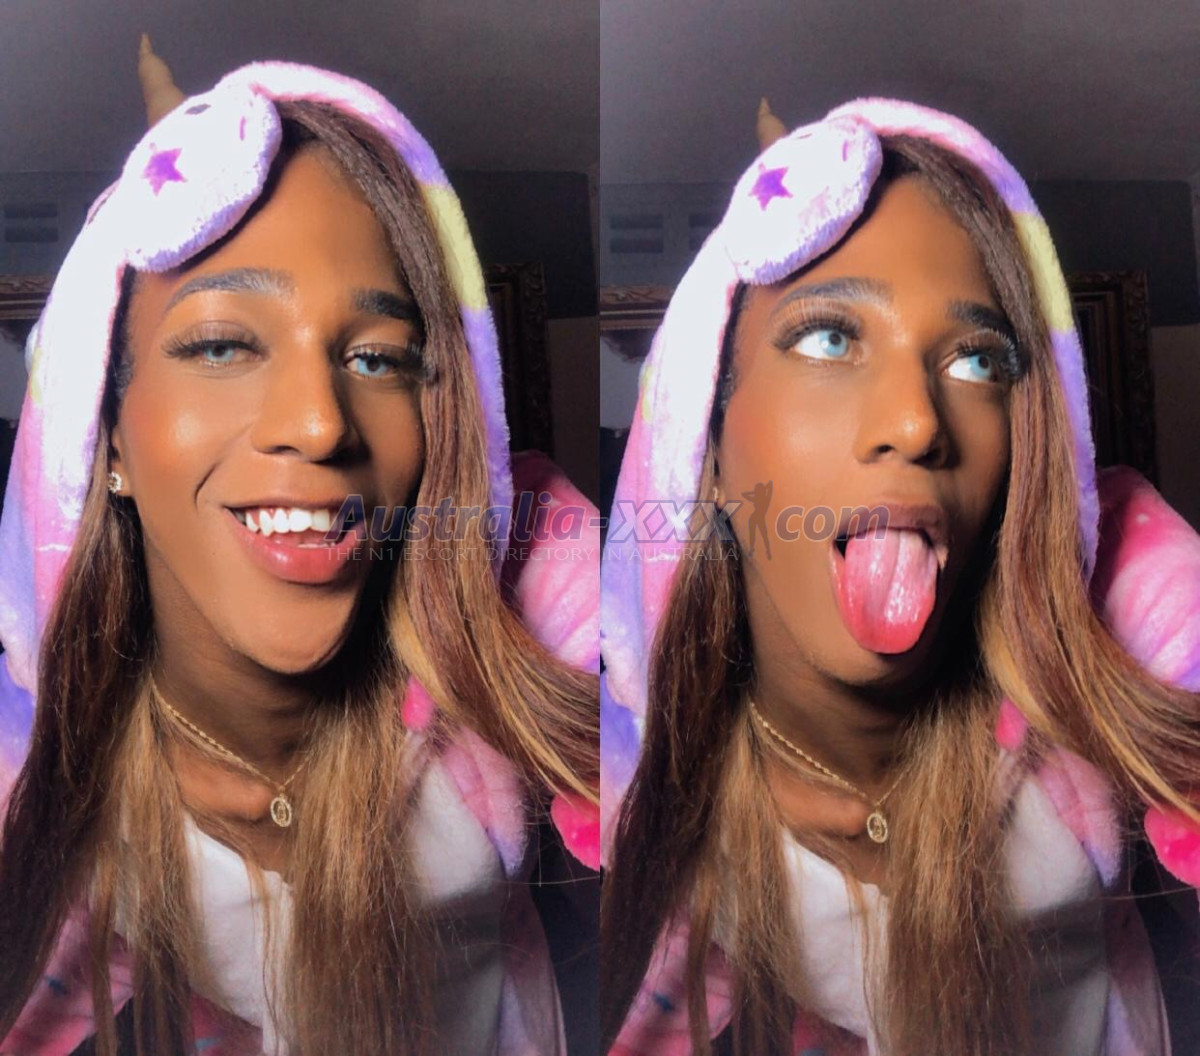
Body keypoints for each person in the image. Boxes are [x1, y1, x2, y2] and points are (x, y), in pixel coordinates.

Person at [0, 57, 600, 1055]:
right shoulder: (49, 761)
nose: (322, 424)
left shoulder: (526, 565)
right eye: (222, 346)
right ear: (104, 441)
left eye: (376, 357)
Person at [600, 98, 1200, 1055]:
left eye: (977, 359)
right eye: (829, 339)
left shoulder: (1100, 623)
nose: (919, 423)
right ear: (703, 442)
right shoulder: (655, 798)